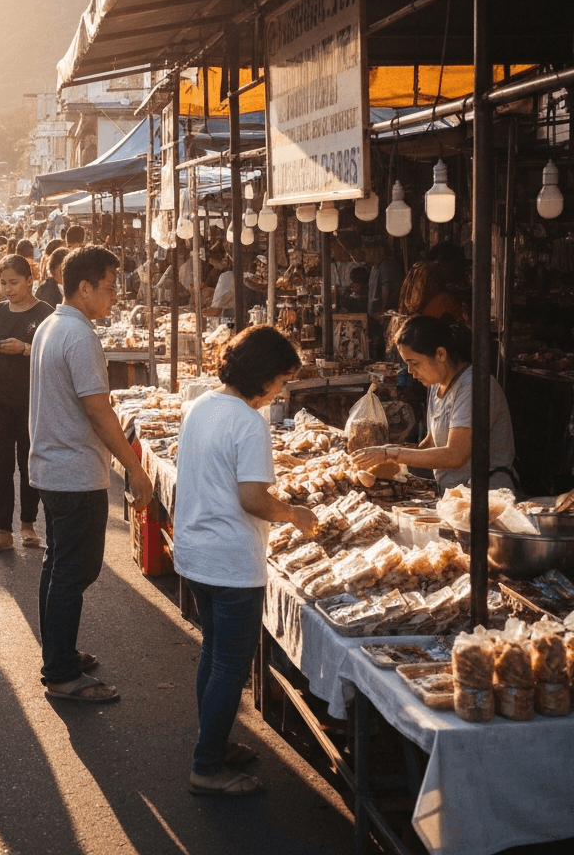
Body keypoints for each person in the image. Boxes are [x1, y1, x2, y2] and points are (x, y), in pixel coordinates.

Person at [174, 326, 317, 796]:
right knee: (230, 664)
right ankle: (206, 765)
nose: (280, 390)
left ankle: (211, 743)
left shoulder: (202, 405)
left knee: (214, 654)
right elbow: (253, 498)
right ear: (263, 375)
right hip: (231, 560)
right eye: (280, 380)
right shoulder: (249, 422)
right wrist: (293, 514)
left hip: (197, 552)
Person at [29, 246, 154, 703]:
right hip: (72, 470)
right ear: (84, 288)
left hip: (53, 465)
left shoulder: (53, 324)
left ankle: (58, 652)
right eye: (108, 287)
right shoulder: (79, 336)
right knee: (74, 570)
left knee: (60, 565)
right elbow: (98, 410)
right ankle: (61, 673)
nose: (114, 296)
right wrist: (135, 468)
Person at [353, 316, 516, 494]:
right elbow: (431, 443)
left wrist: (390, 454)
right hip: (454, 494)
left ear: (440, 354)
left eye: (414, 363)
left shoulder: (475, 385)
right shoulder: (436, 385)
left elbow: (455, 455)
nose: (410, 371)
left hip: (487, 497)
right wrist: (388, 462)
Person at [0, 255, 54, 557]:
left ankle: (28, 526)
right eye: (3, 283)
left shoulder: (46, 313)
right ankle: (2, 533)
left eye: (14, 282)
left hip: (32, 402)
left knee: (29, 466)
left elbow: (53, 357)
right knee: (1, 469)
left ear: (29, 280)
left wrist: (25, 349)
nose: (8, 289)